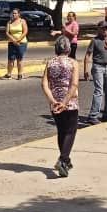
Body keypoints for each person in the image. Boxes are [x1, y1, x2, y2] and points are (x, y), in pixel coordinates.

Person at [42, 36, 79, 177]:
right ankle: (63, 160)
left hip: (55, 101)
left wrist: (52, 100)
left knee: (61, 131)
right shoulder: (73, 63)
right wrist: (65, 102)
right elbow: (74, 84)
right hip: (70, 101)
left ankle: (66, 160)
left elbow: (44, 84)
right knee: (71, 131)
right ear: (68, 49)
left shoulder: (50, 63)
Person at [83, 21, 107, 124]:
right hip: (98, 67)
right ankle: (93, 116)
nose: (105, 30)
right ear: (99, 29)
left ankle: (106, 114)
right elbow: (87, 55)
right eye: (103, 28)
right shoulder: (94, 41)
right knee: (99, 91)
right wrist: (86, 70)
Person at [5, 8, 29, 80]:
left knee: (19, 58)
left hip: (21, 42)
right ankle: (9, 74)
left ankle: (20, 74)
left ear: (19, 14)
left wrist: (18, 40)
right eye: (13, 13)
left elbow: (25, 31)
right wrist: (13, 40)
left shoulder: (22, 21)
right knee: (11, 59)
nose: (14, 14)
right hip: (12, 42)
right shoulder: (9, 22)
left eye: (15, 13)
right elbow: (7, 32)